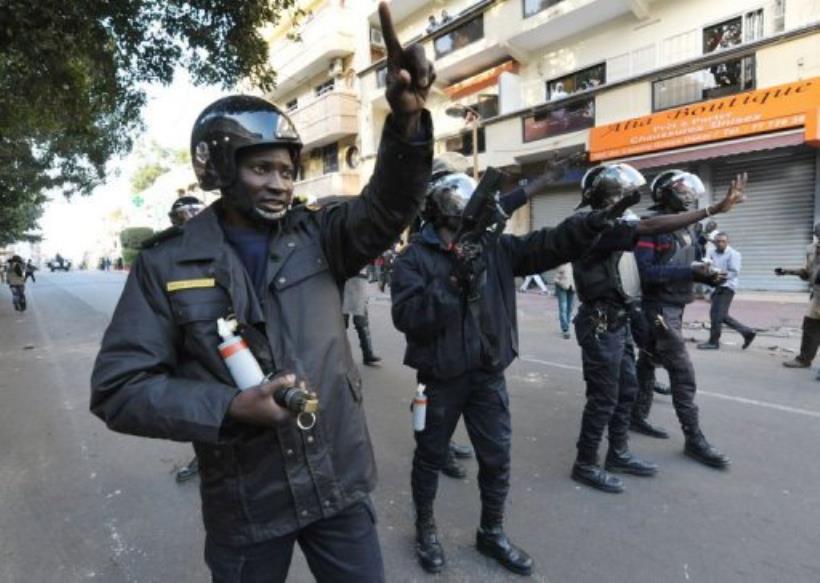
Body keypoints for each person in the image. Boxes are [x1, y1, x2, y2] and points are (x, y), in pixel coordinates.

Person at [90, 4, 435, 580]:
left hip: (337, 484)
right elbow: (120, 390)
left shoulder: (323, 236)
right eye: (261, 169)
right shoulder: (166, 263)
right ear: (222, 169)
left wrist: (405, 121)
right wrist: (228, 408)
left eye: (286, 170)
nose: (279, 183)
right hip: (246, 503)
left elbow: (391, 204)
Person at [390, 157, 634, 576]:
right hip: (440, 378)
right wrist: (454, 284)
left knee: (497, 458)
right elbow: (409, 318)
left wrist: (594, 222)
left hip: (487, 375)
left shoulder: (495, 247)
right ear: (442, 212)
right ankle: (425, 528)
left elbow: (550, 244)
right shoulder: (413, 259)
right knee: (429, 457)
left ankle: (492, 532)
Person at [569, 164, 746, 493]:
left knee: (627, 390)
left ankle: (618, 452)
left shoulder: (617, 223)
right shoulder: (590, 226)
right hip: (599, 322)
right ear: (609, 197)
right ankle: (585, 463)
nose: (631, 201)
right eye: (624, 196)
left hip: (619, 317)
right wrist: (712, 209)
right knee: (603, 398)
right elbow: (649, 227)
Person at [633, 169, 748, 469]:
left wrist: (708, 276)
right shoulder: (651, 227)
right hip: (658, 308)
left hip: (674, 305)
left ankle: (636, 415)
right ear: (666, 192)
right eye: (682, 189)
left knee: (647, 361)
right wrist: (690, 273)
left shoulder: (688, 229)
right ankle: (694, 439)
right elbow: (646, 274)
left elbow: (692, 262)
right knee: (682, 373)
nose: (689, 194)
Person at [141, 196, 207, 484]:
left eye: (196, 211)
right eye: (184, 213)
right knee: (199, 406)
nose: (191, 218)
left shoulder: (222, 244)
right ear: (173, 219)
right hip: (185, 345)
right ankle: (204, 457)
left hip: (223, 341)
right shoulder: (161, 257)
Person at [697, 232, 756, 350]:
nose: (720, 243)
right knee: (720, 315)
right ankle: (747, 332)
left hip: (727, 287)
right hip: (715, 287)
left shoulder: (734, 254)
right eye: (718, 241)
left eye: (723, 241)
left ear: (728, 242)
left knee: (716, 316)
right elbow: (708, 267)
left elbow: (734, 272)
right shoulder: (712, 252)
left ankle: (713, 342)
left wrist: (718, 277)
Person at [775, 222, 820, 370]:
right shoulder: (811, 249)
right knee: (810, 325)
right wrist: (787, 271)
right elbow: (807, 273)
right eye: (818, 235)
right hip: (818, 295)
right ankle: (804, 359)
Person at [343, 269, 382, 366]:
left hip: (359, 279)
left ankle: (368, 354)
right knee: (340, 323)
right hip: (344, 279)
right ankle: (338, 356)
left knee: (362, 321)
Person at [553, 263, 574, 338]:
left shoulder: (575, 263)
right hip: (562, 287)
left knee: (570, 308)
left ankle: (567, 326)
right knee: (563, 308)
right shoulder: (562, 262)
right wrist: (559, 283)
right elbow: (556, 276)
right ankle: (565, 328)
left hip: (572, 288)